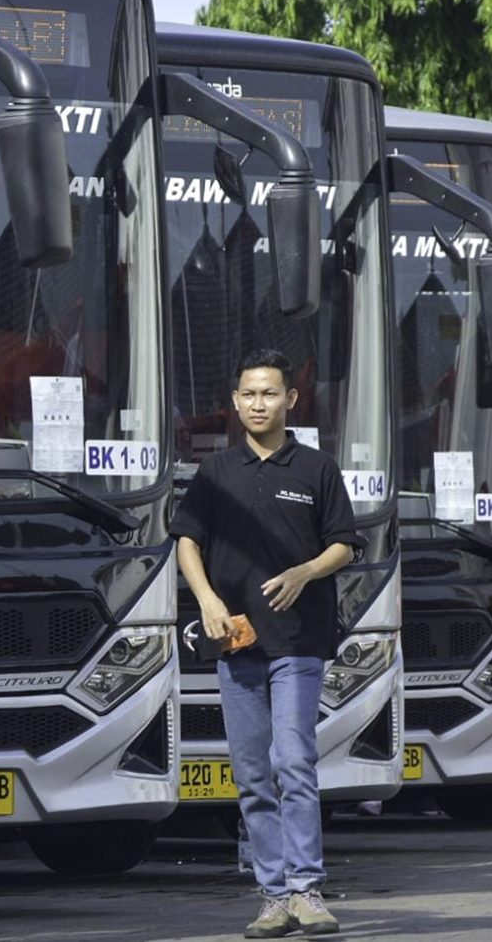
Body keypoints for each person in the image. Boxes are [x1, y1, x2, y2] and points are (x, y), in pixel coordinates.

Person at [171, 348, 358, 938]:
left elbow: (345, 545)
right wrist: (206, 600)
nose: (259, 403)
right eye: (249, 394)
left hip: (299, 641)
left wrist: (305, 572)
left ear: (290, 400)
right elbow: (187, 542)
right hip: (236, 644)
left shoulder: (316, 469)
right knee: (252, 772)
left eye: (270, 393)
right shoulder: (216, 473)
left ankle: (307, 890)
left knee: (294, 761)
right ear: (235, 402)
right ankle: (272, 896)